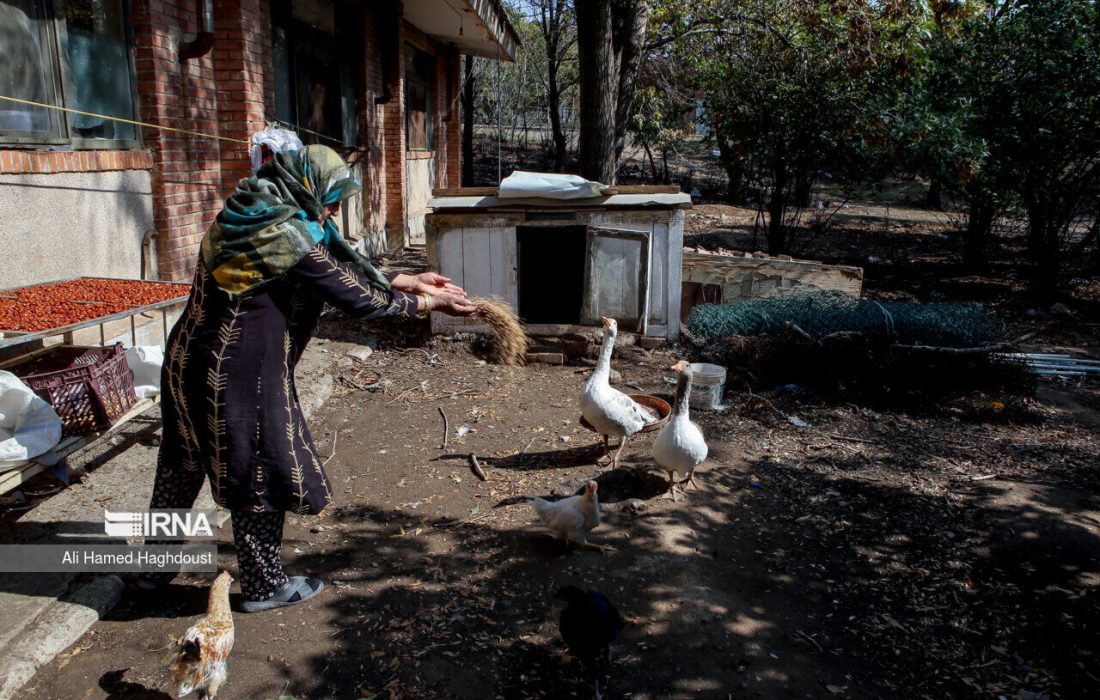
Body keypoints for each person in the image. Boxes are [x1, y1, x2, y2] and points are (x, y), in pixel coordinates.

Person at [140, 144, 476, 611]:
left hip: (185, 360)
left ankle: (150, 572)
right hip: (236, 373)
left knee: (182, 463)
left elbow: (333, 263)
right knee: (260, 468)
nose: (335, 208)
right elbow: (356, 298)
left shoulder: (253, 209)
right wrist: (426, 303)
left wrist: (406, 278)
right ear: (306, 185)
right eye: (332, 196)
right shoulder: (285, 235)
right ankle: (263, 586)